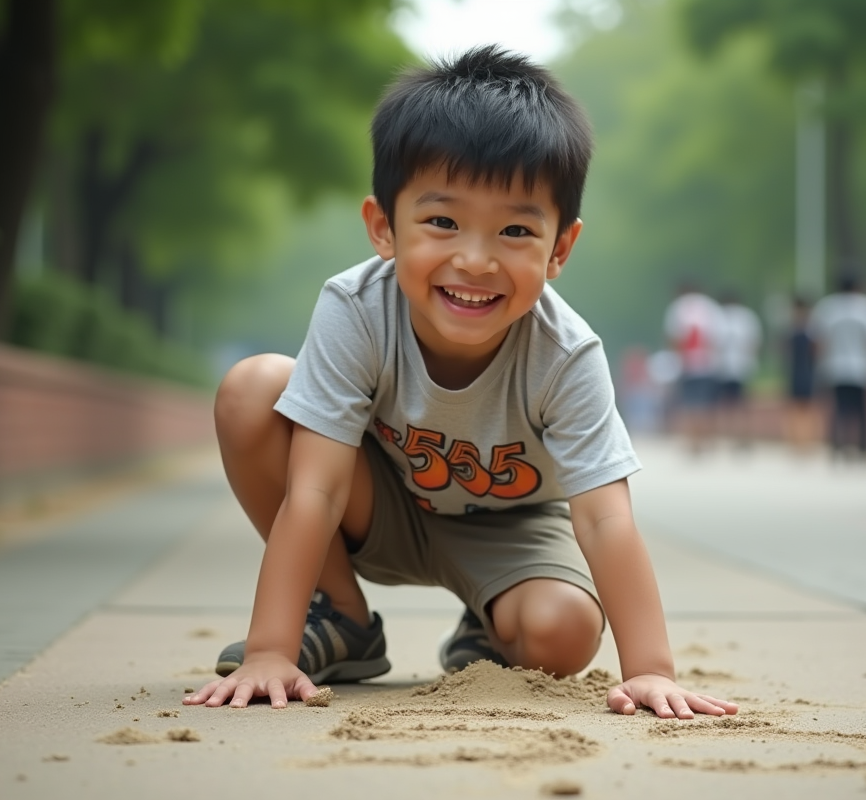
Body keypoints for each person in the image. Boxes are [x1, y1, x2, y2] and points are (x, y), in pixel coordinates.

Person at [183, 46, 738, 721]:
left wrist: (651, 670)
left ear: (559, 248)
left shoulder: (565, 353)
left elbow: (604, 515)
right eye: (442, 222)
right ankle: (343, 619)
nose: (474, 260)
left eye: (514, 230)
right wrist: (271, 648)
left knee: (564, 632)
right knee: (253, 389)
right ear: (384, 227)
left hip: (511, 525)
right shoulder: (356, 308)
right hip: (380, 501)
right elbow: (319, 487)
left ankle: (491, 628)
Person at [808, 274, 866, 460]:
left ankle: (837, 446)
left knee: (838, 409)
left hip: (834, 367)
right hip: (863, 367)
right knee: (863, 411)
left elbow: (818, 342)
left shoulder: (827, 307)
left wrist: (818, 365)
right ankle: (863, 449)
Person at [663, 284, 725, 452]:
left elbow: (674, 337)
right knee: (707, 405)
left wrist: (676, 359)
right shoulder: (711, 307)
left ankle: (693, 441)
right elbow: (718, 338)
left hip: (688, 363)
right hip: (708, 363)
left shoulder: (678, 307)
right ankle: (707, 439)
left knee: (690, 404)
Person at [714, 293, 763, 447]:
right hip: (742, 367)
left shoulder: (718, 317)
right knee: (742, 405)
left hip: (724, 367)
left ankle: (731, 435)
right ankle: (743, 436)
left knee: (727, 405)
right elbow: (754, 343)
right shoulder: (747, 317)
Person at [782, 296, 819, 453]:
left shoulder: (812, 332)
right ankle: (795, 441)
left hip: (807, 371)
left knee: (807, 408)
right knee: (794, 408)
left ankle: (806, 441)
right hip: (795, 372)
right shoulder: (791, 331)